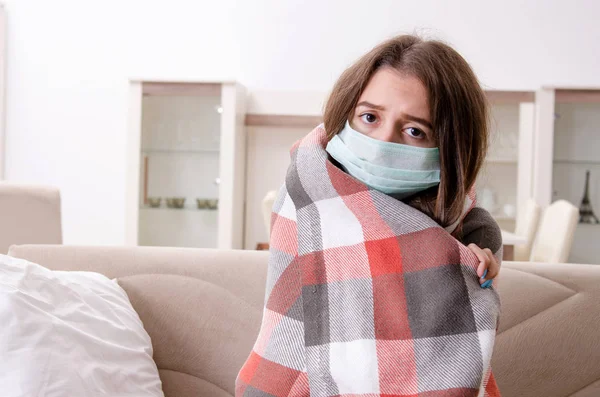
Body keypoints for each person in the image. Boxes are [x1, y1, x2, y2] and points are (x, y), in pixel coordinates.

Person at [237, 35, 502, 397]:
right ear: (346, 115)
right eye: (369, 117)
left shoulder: (468, 226)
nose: (383, 142)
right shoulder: (307, 192)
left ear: (450, 149)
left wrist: (472, 261)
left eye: (414, 130)